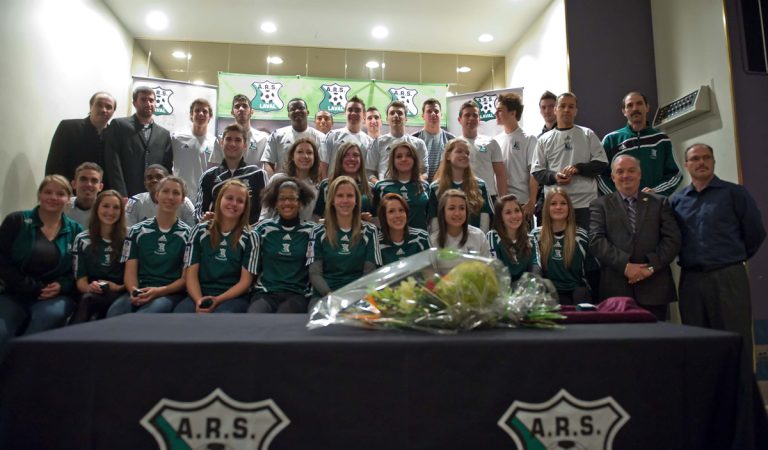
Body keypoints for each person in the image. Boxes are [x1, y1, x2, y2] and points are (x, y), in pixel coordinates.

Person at [671, 143, 765, 362]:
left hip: (729, 278)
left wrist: (731, 258)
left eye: (706, 157)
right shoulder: (677, 201)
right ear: (686, 165)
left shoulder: (735, 194)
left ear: (713, 161)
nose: (701, 162)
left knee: (734, 340)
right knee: (696, 343)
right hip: (691, 281)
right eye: (695, 159)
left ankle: (738, 396)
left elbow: (755, 233)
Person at [589, 155, 681, 320]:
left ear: (640, 174)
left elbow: (672, 240)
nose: (626, 175)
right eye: (620, 171)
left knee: (657, 344)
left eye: (631, 170)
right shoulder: (599, 205)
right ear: (613, 177)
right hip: (615, 291)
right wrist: (626, 266)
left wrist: (650, 267)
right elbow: (596, 241)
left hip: (654, 288)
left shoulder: (660, 203)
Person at [0, 175, 83, 348]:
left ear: (68, 199)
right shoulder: (17, 221)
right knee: (2, 332)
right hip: (14, 292)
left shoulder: (76, 231)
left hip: (54, 297)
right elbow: (3, 261)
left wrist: (63, 285)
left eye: (60, 194)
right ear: (39, 195)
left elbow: (78, 271)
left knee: (41, 328)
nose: (53, 197)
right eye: (48, 192)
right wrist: (31, 287)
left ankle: (23, 371)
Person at [107, 176, 191, 316]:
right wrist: (134, 291)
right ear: (157, 195)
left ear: (182, 200)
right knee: (114, 313)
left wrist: (159, 291)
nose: (170, 197)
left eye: (176, 193)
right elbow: (130, 272)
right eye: (165, 191)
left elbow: (184, 280)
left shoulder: (188, 235)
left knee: (145, 315)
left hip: (168, 293)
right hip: (140, 289)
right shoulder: (136, 231)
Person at [175, 179, 258, 314]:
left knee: (221, 319)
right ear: (220, 200)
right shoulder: (199, 231)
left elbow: (245, 282)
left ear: (245, 207)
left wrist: (217, 300)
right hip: (199, 293)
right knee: (180, 315)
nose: (234, 204)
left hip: (233, 298)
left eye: (240, 201)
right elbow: (191, 275)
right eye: (229, 198)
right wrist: (199, 301)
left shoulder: (251, 236)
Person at [531, 92, 608, 230]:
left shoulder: (587, 134)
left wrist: (579, 168)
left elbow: (602, 164)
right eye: (562, 106)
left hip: (585, 204)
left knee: (586, 246)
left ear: (576, 111)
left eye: (571, 106)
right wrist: (555, 176)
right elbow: (537, 172)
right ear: (556, 109)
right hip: (556, 204)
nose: (566, 110)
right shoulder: (543, 139)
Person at [307, 176, 381, 304]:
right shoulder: (317, 231)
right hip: (325, 295)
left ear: (357, 200)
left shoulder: (370, 231)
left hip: (359, 295)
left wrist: (354, 298)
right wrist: (330, 296)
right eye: (340, 196)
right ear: (332, 200)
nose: (345, 200)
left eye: (350, 196)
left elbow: (370, 272)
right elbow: (315, 273)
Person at [250, 177, 317, 313]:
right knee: (254, 316)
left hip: (297, 294)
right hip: (265, 292)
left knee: (283, 317)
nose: (287, 203)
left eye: (292, 198)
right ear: (275, 202)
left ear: (300, 203)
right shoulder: (263, 229)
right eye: (282, 198)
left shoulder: (312, 231)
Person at [598, 91, 682, 196]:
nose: (635, 108)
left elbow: (676, 174)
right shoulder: (611, 139)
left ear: (647, 108)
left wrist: (655, 192)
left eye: (639, 104)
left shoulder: (661, 139)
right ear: (624, 111)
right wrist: (617, 197)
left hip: (653, 204)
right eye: (630, 105)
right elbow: (600, 176)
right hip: (621, 208)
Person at [103, 86, 173, 197]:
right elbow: (113, 162)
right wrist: (120, 192)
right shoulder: (119, 125)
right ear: (135, 103)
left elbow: (167, 168)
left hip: (154, 196)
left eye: (151, 100)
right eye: (143, 99)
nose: (148, 103)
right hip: (126, 192)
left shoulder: (164, 134)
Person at [70, 190, 126, 323]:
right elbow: (81, 280)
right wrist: (90, 287)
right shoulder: (82, 239)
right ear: (97, 208)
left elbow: (134, 276)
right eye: (105, 206)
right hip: (92, 291)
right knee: (88, 299)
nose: (110, 212)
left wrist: (117, 287)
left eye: (116, 207)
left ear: (121, 212)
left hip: (121, 292)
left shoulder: (129, 238)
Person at [196, 124, 268, 225]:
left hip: (249, 235)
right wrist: (207, 222)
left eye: (238, 140)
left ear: (245, 145)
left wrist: (246, 232)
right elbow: (199, 214)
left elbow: (265, 212)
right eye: (228, 139)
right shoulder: (209, 176)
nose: (232, 144)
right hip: (217, 236)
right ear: (221, 143)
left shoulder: (258, 174)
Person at [532, 188, 592, 305]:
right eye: (553, 203)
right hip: (549, 292)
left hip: (575, 292)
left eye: (563, 203)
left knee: (581, 294)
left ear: (569, 207)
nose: (558, 207)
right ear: (546, 208)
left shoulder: (581, 236)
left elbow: (591, 272)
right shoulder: (535, 236)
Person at [487, 93, 538, 219]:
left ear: (513, 113)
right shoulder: (495, 141)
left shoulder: (529, 139)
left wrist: (532, 201)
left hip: (521, 203)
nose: (495, 114)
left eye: (499, 110)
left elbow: (534, 174)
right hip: (499, 203)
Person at [428, 138, 494, 233]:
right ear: (447, 156)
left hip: (473, 242)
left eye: (467, 153)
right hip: (446, 243)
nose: (464, 155)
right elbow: (434, 222)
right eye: (459, 151)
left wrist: (479, 241)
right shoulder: (435, 187)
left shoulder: (480, 186)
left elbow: (485, 219)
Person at [45, 91, 116, 179]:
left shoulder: (115, 136)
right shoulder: (68, 128)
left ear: (113, 112)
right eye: (99, 105)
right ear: (90, 107)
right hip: (70, 189)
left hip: (102, 191)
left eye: (108, 107)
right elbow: (54, 164)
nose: (104, 110)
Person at [371, 141, 430, 230]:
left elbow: (430, 218)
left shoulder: (425, 186)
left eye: (408, 155)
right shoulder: (381, 187)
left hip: (419, 241)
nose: (404, 159)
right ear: (393, 161)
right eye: (399, 156)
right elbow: (375, 217)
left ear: (414, 159)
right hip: (390, 242)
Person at [262, 98, 326, 178]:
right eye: (293, 109)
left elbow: (323, 165)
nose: (297, 111)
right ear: (288, 115)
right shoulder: (276, 135)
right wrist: (274, 183)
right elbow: (268, 162)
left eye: (301, 108)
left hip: (310, 185)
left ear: (307, 112)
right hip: (283, 186)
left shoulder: (321, 138)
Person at [457, 100, 508, 201]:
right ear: (459, 120)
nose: (471, 118)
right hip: (462, 197)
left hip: (488, 197)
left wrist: (503, 201)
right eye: (467, 115)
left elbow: (500, 174)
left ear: (479, 119)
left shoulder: (491, 143)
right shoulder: (454, 145)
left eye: (475, 115)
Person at [366, 100, 428, 183]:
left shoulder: (419, 144)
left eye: (399, 113)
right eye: (392, 113)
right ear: (387, 119)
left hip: (411, 193)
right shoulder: (377, 143)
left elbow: (425, 172)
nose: (395, 115)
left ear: (406, 118)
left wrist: (412, 185)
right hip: (385, 192)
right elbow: (369, 171)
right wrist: (379, 185)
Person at [261, 138, 321, 222]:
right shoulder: (277, 179)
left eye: (309, 153)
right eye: (300, 152)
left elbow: (314, 219)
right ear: (292, 156)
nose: (305, 156)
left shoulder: (317, 187)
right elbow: (265, 213)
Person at [313, 141, 374, 221]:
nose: (351, 159)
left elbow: (376, 220)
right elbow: (316, 218)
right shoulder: (326, 185)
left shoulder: (370, 188)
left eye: (355, 155)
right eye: (346, 155)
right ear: (339, 159)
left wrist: (367, 219)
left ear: (361, 160)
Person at [208, 94, 269, 169]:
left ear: (252, 112)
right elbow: (214, 168)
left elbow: (268, 168)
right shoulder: (221, 139)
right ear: (232, 112)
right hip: (228, 180)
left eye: (245, 106)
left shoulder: (263, 139)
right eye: (237, 106)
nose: (241, 109)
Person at [488, 195, 539, 283]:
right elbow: (496, 270)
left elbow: (536, 267)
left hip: (525, 288)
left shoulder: (530, 239)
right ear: (500, 218)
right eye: (508, 212)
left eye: (517, 211)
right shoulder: (492, 237)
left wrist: (527, 286)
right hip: (503, 288)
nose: (514, 216)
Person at [172, 98, 215, 201]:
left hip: (203, 197)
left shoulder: (214, 142)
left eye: (205, 111)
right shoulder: (177, 138)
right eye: (197, 110)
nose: (201, 114)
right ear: (191, 114)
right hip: (179, 195)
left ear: (210, 117)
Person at [319, 96, 373, 179]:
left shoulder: (370, 142)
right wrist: (326, 187)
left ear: (364, 115)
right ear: (345, 113)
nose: (353, 113)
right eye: (350, 110)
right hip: (333, 187)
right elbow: (323, 166)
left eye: (357, 110)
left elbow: (369, 171)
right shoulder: (332, 136)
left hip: (358, 189)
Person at [126, 165, 196, 227]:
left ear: (167, 180)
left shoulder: (183, 201)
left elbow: (193, 228)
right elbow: (128, 231)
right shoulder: (134, 202)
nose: (154, 180)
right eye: (150, 178)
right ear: (145, 183)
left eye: (159, 177)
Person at [430, 189, 490, 256]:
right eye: (452, 208)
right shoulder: (433, 241)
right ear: (443, 212)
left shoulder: (479, 236)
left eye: (462, 208)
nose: (457, 213)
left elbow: (488, 264)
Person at [377, 193, 431, 265]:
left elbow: (429, 271)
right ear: (383, 216)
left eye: (401, 210)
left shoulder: (421, 237)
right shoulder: (376, 243)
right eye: (391, 211)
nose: (398, 215)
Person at [413, 98, 456, 183]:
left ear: (441, 115)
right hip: (419, 187)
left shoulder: (451, 139)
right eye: (429, 111)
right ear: (423, 116)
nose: (433, 114)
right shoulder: (414, 138)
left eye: (436, 111)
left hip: (442, 188)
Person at [65, 162, 104, 227]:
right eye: (83, 179)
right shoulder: (63, 207)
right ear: (74, 184)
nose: (88, 184)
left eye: (94, 180)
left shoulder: (106, 210)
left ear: (100, 187)